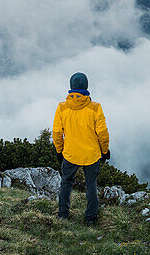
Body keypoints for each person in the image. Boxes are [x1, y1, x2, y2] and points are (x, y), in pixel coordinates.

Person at [52, 72, 110, 225]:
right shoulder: (95, 107)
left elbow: (57, 132)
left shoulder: (62, 107)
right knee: (91, 186)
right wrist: (105, 151)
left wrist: (59, 150)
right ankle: (90, 218)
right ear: (86, 86)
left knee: (66, 183)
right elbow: (102, 133)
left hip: (70, 153)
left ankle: (63, 214)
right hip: (91, 154)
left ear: (71, 87)